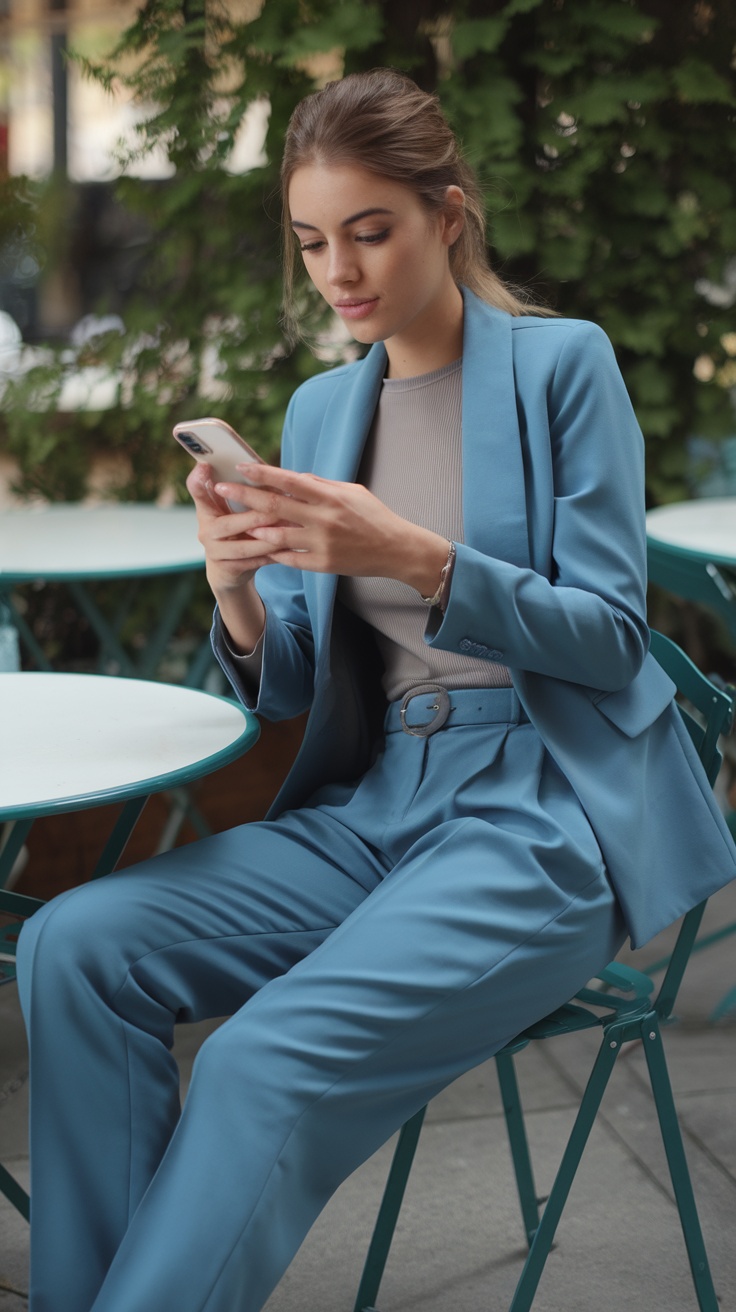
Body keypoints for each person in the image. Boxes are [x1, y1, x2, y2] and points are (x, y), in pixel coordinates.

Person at [16, 68, 736, 1312]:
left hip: (543, 816)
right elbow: (292, 681)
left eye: (370, 231)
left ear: (446, 215)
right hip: (375, 809)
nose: (339, 271)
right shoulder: (321, 406)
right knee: (75, 944)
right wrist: (235, 585)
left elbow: (618, 639)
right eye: (311, 242)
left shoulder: (564, 367)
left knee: (258, 1059)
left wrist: (415, 555)